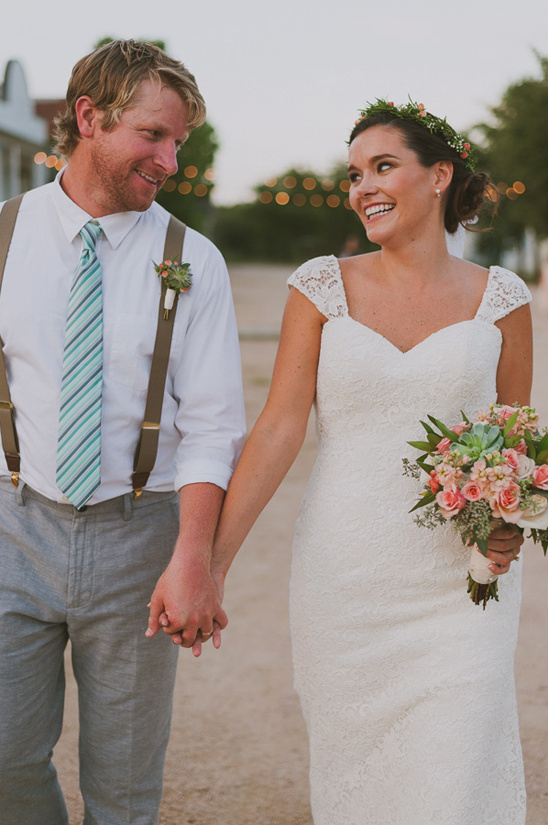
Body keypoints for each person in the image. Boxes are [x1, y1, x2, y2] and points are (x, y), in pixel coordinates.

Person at [196, 99, 533, 824]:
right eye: (354, 173)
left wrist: (510, 521)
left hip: (460, 583)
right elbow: (280, 429)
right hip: (344, 581)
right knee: (362, 787)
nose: (362, 187)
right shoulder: (319, 288)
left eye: (383, 166)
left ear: (440, 175)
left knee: (453, 777)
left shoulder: (504, 300)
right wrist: (211, 563)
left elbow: (515, 441)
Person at [0, 40, 245, 825]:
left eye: (180, 143)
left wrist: (194, 558)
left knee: (125, 790)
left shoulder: (193, 261)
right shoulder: (3, 235)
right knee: (4, 760)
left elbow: (211, 425)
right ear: (88, 118)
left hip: (140, 537)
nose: (171, 159)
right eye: (153, 135)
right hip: (13, 522)